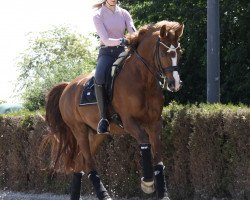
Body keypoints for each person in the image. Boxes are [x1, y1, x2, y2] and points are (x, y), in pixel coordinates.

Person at [92, 0, 136, 134]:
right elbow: (105, 39)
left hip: (123, 52)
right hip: (107, 52)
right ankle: (104, 118)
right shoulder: (98, 15)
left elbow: (133, 31)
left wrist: (138, 37)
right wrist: (121, 40)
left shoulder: (124, 13)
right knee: (99, 77)